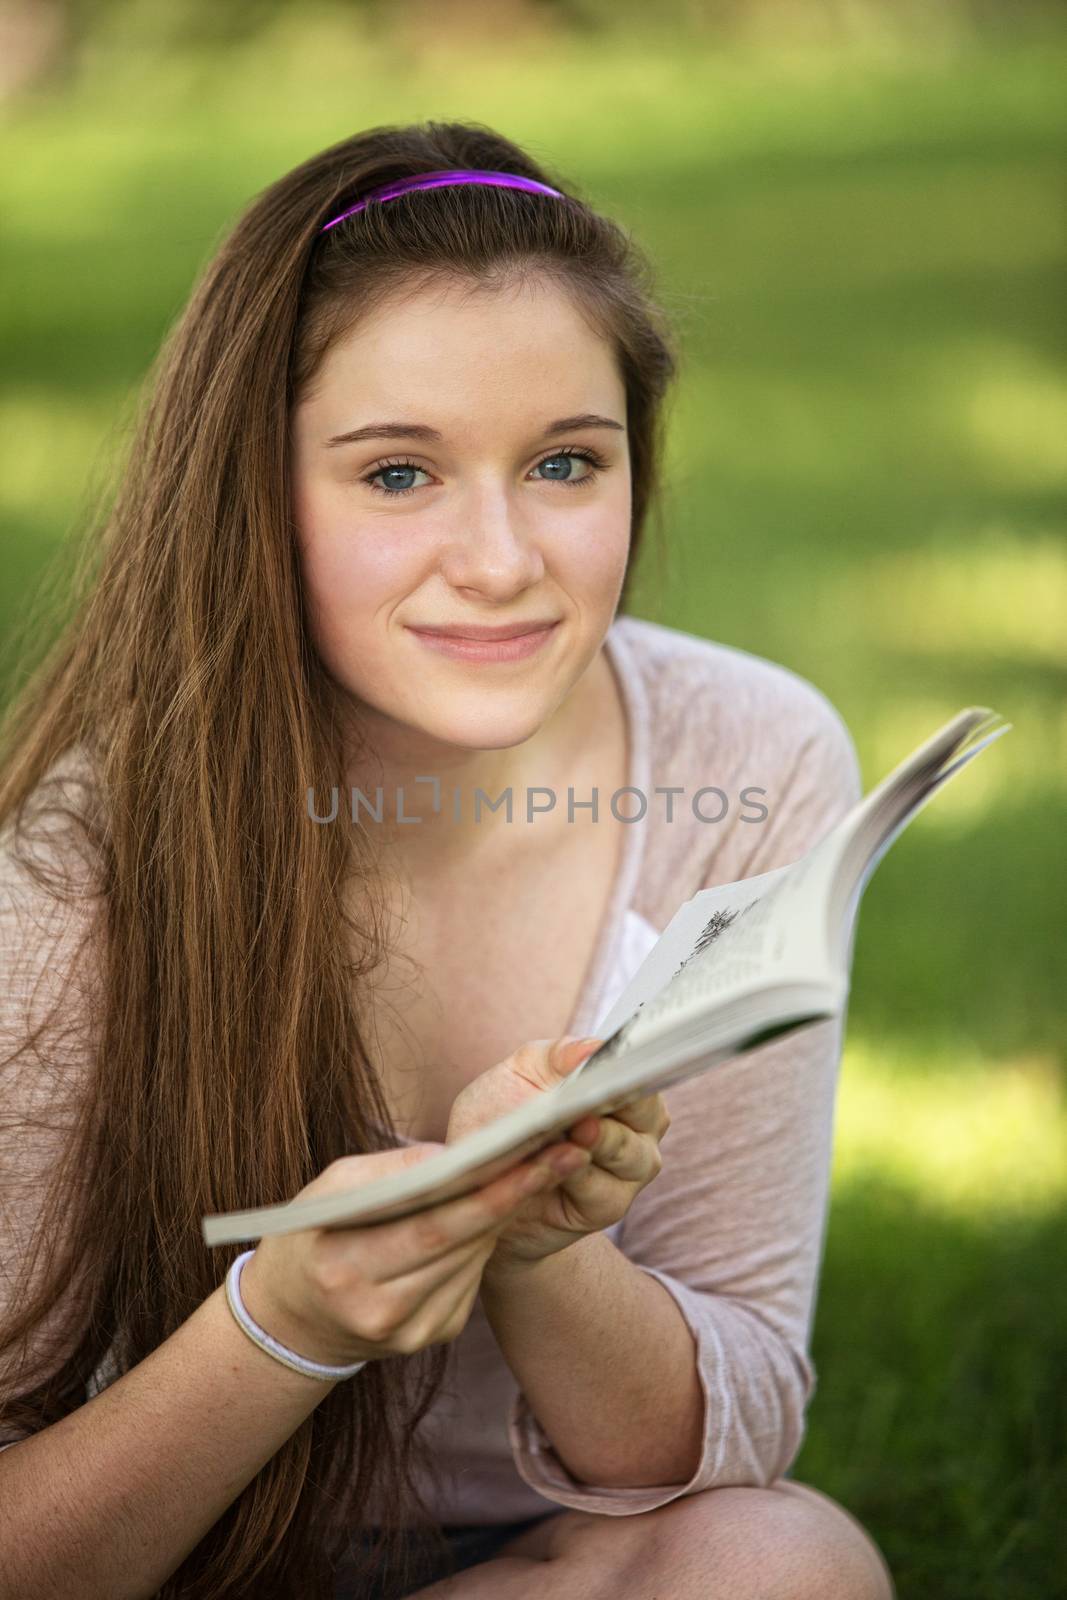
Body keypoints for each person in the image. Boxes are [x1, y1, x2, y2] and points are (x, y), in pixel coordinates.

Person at [0, 121, 895, 1600]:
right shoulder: (73, 867)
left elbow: (733, 1423)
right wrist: (285, 1322)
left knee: (784, 1560)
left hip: (524, 1562)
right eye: (398, 473)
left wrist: (543, 1252)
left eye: (562, 463)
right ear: (254, 496)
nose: (498, 559)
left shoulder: (751, 758)